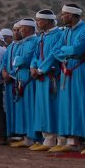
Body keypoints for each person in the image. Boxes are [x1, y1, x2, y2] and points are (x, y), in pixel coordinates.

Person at [51, 3, 85, 153]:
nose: (61, 16)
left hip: (81, 69)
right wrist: (68, 52)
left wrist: (66, 50)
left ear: (71, 15)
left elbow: (77, 49)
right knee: (68, 105)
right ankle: (72, 141)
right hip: (67, 69)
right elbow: (55, 50)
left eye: (64, 14)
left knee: (83, 103)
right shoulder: (65, 31)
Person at [28, 10, 64, 151]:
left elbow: (53, 55)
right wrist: (33, 67)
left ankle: (60, 138)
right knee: (43, 108)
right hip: (40, 78)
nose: (37, 23)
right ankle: (48, 138)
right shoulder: (41, 37)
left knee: (55, 107)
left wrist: (41, 70)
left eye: (39, 20)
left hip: (52, 77)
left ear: (48, 21)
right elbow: (35, 55)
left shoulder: (59, 34)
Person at [7, 20, 39, 148]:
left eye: (21, 28)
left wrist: (18, 61)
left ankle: (35, 138)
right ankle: (27, 138)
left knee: (31, 108)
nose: (19, 31)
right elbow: (16, 61)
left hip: (29, 78)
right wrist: (18, 61)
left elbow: (25, 59)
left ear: (28, 29)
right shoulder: (22, 43)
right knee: (23, 109)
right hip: (20, 77)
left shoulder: (35, 41)